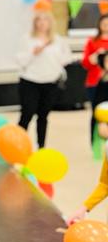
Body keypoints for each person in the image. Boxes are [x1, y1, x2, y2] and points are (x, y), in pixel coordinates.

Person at [16, 11, 72, 148]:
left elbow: (67, 58)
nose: (42, 23)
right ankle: (17, 145)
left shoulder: (58, 40)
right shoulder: (27, 39)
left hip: (50, 82)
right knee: (27, 114)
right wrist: (33, 53)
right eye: (39, 20)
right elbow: (20, 60)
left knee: (43, 116)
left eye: (45, 19)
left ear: (50, 22)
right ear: (35, 23)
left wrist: (58, 63)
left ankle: (41, 146)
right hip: (30, 81)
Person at [81, 14, 108, 147]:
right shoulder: (92, 41)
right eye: (104, 24)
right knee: (97, 113)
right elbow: (85, 63)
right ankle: (95, 144)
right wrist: (97, 55)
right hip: (94, 84)